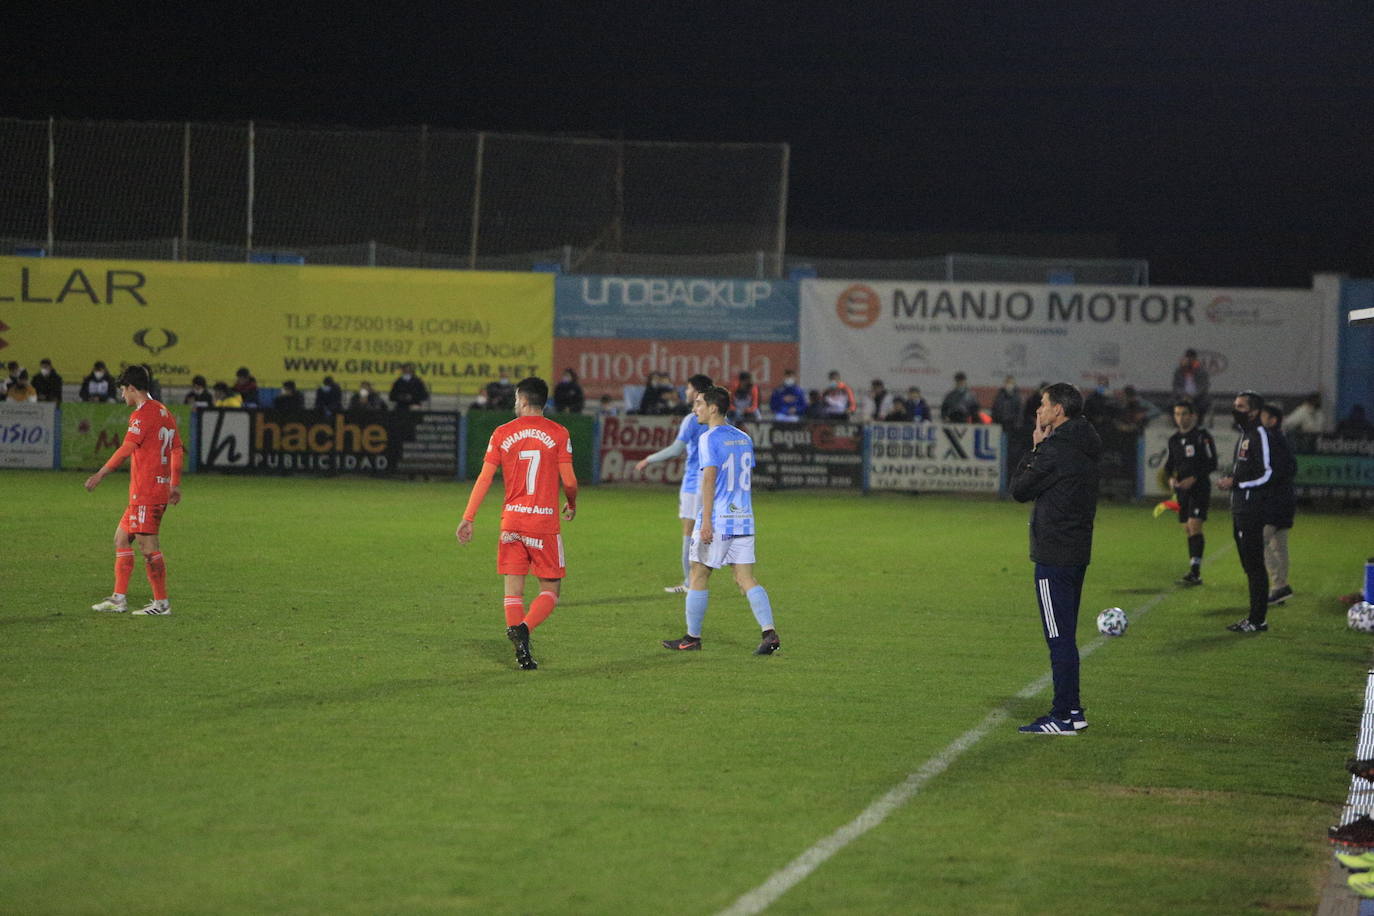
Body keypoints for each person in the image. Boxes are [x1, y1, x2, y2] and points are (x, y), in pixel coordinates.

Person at [457, 377, 577, 671]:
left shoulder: (501, 433)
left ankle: (520, 650)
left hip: (511, 520)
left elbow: (485, 478)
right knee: (550, 591)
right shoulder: (559, 433)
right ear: (543, 401)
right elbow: (570, 481)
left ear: (523, 400)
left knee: (513, 592)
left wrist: (468, 517)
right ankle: (524, 630)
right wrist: (571, 503)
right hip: (543, 523)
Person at [1009, 382, 1101, 735]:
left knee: (1058, 637)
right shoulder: (1087, 442)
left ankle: (1063, 714)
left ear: (1058, 411)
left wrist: (1036, 447)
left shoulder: (1056, 448)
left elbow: (1019, 490)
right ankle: (1073, 711)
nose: (1038, 410)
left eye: (1043, 405)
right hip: (1077, 549)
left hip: (1054, 552)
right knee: (1065, 634)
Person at [661, 384, 780, 656]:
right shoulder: (743, 437)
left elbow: (710, 478)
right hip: (744, 518)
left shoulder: (708, 438)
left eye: (699, 404)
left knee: (698, 573)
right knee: (745, 578)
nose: (695, 409)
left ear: (714, 408)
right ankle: (769, 632)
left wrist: (705, 522)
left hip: (720, 520)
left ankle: (692, 638)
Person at [83, 365, 184, 616]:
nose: (122, 396)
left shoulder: (142, 415)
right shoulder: (164, 411)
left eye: (122, 391)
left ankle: (162, 604)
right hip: (151, 490)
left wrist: (101, 473)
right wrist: (174, 483)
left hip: (147, 492)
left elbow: (126, 448)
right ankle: (119, 599)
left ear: (131, 388)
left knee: (148, 548)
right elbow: (177, 449)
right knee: (120, 537)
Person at [636, 374, 714, 594]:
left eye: (688, 388)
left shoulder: (692, 419)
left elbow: (676, 449)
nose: (685, 391)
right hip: (712, 482)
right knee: (706, 532)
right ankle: (702, 579)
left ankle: (691, 583)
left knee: (689, 534)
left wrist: (649, 459)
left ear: (697, 392)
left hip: (694, 483)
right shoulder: (718, 416)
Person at [1218, 391, 1277, 632]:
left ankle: (1257, 620)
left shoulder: (1259, 434)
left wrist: (1237, 483)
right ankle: (1255, 618)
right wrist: (1233, 480)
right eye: (1235, 405)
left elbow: (1267, 473)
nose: (1235, 410)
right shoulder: (1245, 434)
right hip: (1241, 507)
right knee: (1249, 565)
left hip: (1252, 509)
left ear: (1253, 411)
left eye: (1240, 406)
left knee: (1254, 565)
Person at [1165, 400, 1218, 585]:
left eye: (1183, 414)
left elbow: (1212, 463)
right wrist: (1171, 478)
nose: (1180, 418)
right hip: (1182, 492)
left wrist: (1193, 478)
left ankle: (1195, 573)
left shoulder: (1202, 436)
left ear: (1192, 416)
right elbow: (1169, 465)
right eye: (1177, 414)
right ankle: (1193, 569)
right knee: (1188, 529)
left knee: (1194, 525)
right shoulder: (1173, 440)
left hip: (1199, 488)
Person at [1260, 404, 1298, 605]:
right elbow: (1291, 467)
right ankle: (1279, 589)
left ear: (1273, 420)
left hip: (1275, 500)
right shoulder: (1281, 438)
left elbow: (1280, 470)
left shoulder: (1272, 440)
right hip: (1285, 498)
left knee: (1258, 541)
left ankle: (1279, 585)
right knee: (1279, 545)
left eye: (1262, 416)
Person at [1171, 349, 1210, 421]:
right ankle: (1178, 423)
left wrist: (1192, 396)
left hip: (1198, 397)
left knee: (1202, 405)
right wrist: (1183, 395)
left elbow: (1203, 387)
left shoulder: (1201, 371)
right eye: (1187, 358)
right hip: (1182, 396)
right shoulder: (1179, 371)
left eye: (1191, 358)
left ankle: (1198, 423)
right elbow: (1176, 386)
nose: (1189, 360)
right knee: (1172, 404)